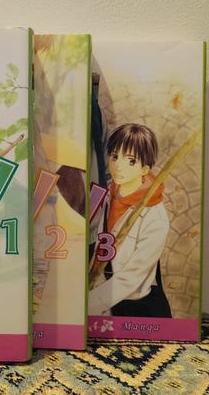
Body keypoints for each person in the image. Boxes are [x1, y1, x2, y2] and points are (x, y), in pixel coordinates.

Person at [88, 123, 172, 317]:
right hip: (99, 300)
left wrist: (88, 304)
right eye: (114, 156)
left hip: (135, 307)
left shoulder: (154, 215)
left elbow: (132, 276)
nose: (119, 166)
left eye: (131, 161)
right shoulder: (105, 198)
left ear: (145, 169)